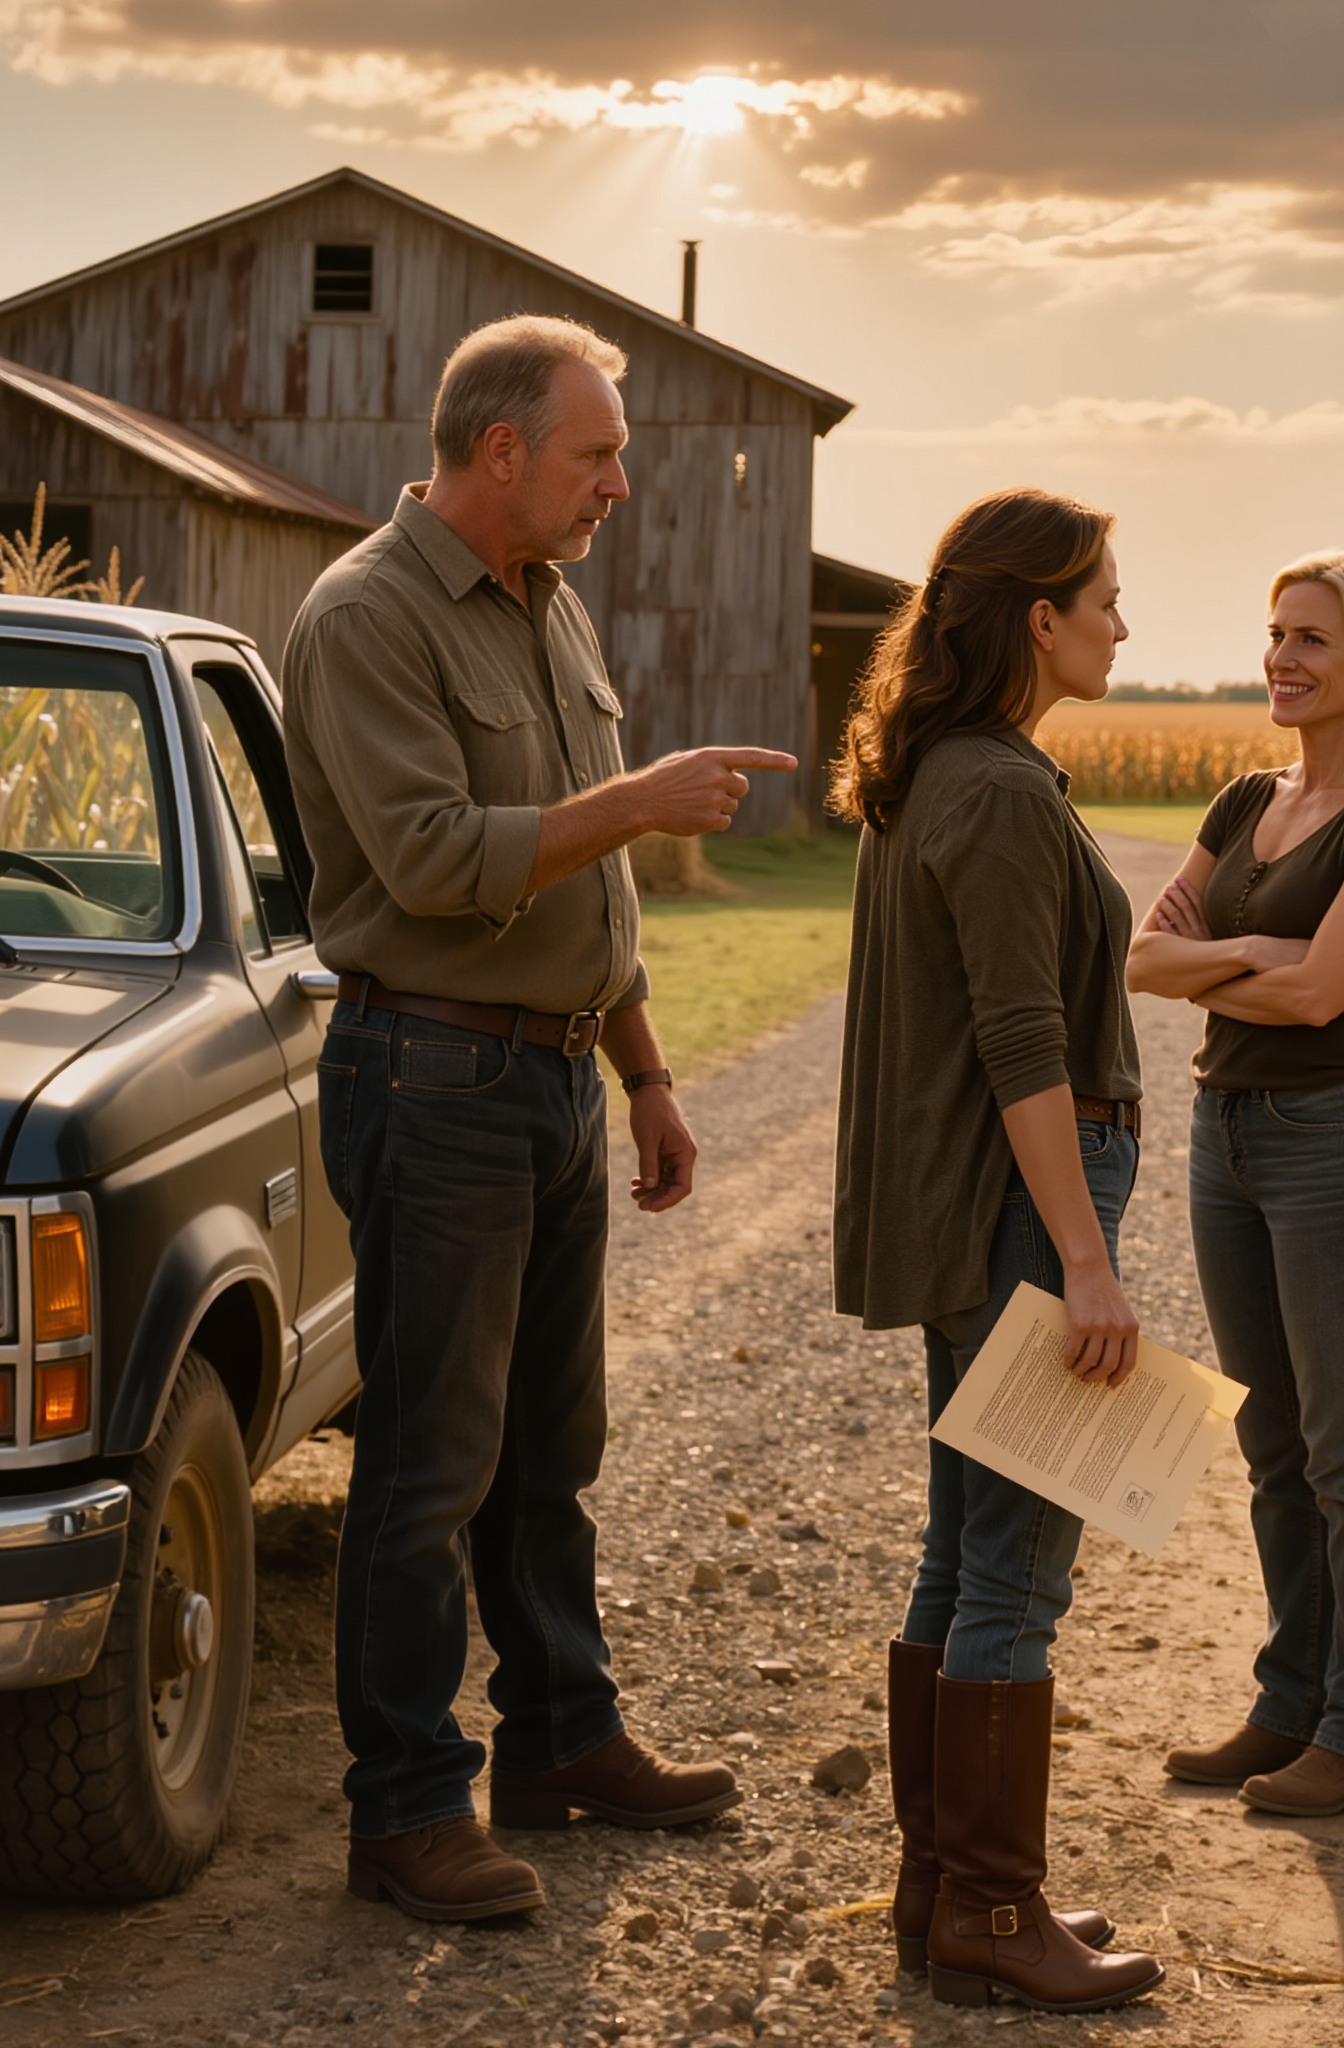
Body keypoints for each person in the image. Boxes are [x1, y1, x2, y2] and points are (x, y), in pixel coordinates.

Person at [283, 314, 798, 1921]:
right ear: (499, 450)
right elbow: (439, 860)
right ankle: (404, 1814)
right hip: (426, 1076)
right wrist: (642, 801)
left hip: (555, 1076)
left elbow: (591, 885)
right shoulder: (367, 616)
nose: (620, 486)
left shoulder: (551, 603)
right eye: (596, 455)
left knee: (548, 1446)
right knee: (431, 1461)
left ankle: (563, 1742)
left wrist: (641, 1068)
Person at [832, 488, 1164, 2013]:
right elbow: (1024, 1040)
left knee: (962, 1553)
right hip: (1024, 1207)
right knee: (1018, 1576)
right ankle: (989, 1906)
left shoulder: (941, 776)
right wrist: (1088, 1264)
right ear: (1038, 616)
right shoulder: (1004, 793)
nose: (1119, 620)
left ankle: (942, 1889)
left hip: (974, 1205)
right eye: (1102, 596)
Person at [1126, 553, 1344, 1817]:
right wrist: (1257, 947)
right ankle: (1286, 1701)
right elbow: (1140, 959)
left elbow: (1326, 995)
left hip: (1331, 1141)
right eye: (1274, 635)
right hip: (1227, 1133)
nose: (1282, 659)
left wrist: (1233, 958)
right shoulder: (1242, 794)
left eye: (1312, 639)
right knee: (1267, 1440)